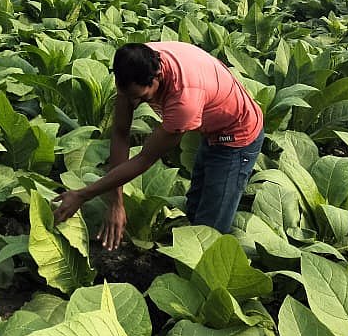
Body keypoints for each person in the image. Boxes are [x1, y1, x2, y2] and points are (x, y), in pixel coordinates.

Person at [53, 41, 265, 250]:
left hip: (236, 136)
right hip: (210, 128)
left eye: (141, 97)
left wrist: (82, 195)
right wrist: (115, 202)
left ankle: (205, 277)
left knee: (209, 228)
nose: (134, 104)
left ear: (158, 76)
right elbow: (120, 133)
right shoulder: (134, 65)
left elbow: (145, 158)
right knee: (195, 206)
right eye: (128, 96)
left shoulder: (184, 100)